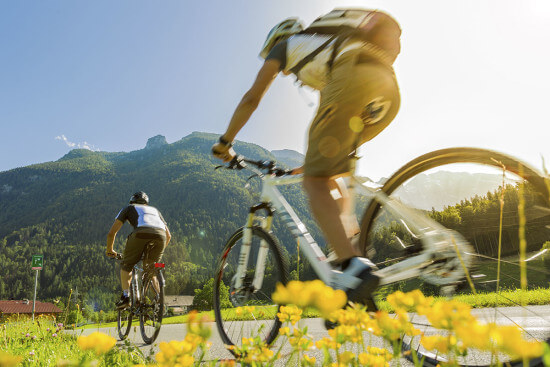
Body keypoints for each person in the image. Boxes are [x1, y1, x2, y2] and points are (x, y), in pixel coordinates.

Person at [211, 9, 401, 306]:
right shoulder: (327, 49)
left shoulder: (286, 46)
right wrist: (313, 163)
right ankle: (349, 262)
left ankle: (354, 267)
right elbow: (329, 135)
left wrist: (226, 142)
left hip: (354, 77)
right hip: (386, 88)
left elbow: (252, 98)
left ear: (278, 39)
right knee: (334, 177)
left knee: (314, 183)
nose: (286, 74)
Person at [106, 191, 171, 309]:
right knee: (151, 269)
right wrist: (157, 253)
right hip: (161, 236)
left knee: (127, 265)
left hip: (140, 233)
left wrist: (110, 250)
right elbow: (169, 236)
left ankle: (126, 297)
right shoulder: (155, 211)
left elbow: (111, 233)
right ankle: (160, 301)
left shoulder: (129, 208)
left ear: (132, 201)